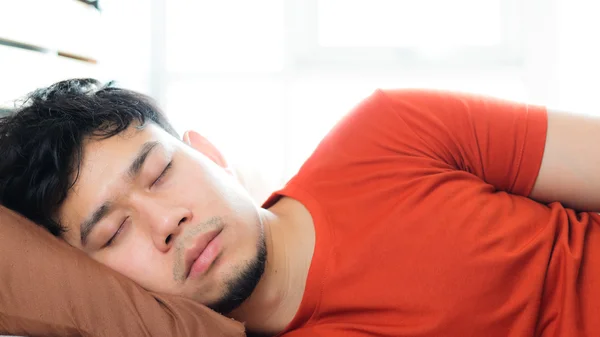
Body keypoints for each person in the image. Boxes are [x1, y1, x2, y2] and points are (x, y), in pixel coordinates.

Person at [0, 78, 599, 337]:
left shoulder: (389, 130)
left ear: (207, 152)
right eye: (113, 233)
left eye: (159, 174)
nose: (166, 223)